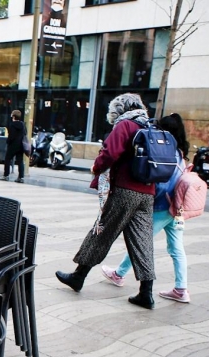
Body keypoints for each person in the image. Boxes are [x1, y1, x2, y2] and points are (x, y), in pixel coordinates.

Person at [55, 93, 157, 309]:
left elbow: (110, 153)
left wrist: (97, 166)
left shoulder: (126, 125)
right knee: (143, 240)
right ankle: (146, 292)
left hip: (125, 190)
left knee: (101, 232)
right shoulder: (150, 126)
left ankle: (78, 276)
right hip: (148, 192)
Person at [101, 113, 190, 303]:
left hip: (162, 207)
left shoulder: (165, 150)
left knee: (141, 244)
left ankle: (119, 273)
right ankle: (181, 289)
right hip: (177, 207)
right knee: (176, 248)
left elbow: (163, 184)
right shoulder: (180, 152)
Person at [0, 109, 25, 183]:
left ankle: (6, 175)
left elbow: (11, 136)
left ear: (13, 116)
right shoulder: (22, 124)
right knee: (20, 161)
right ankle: (21, 177)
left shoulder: (12, 125)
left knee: (7, 159)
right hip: (21, 145)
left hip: (13, 145)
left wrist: (8, 142)